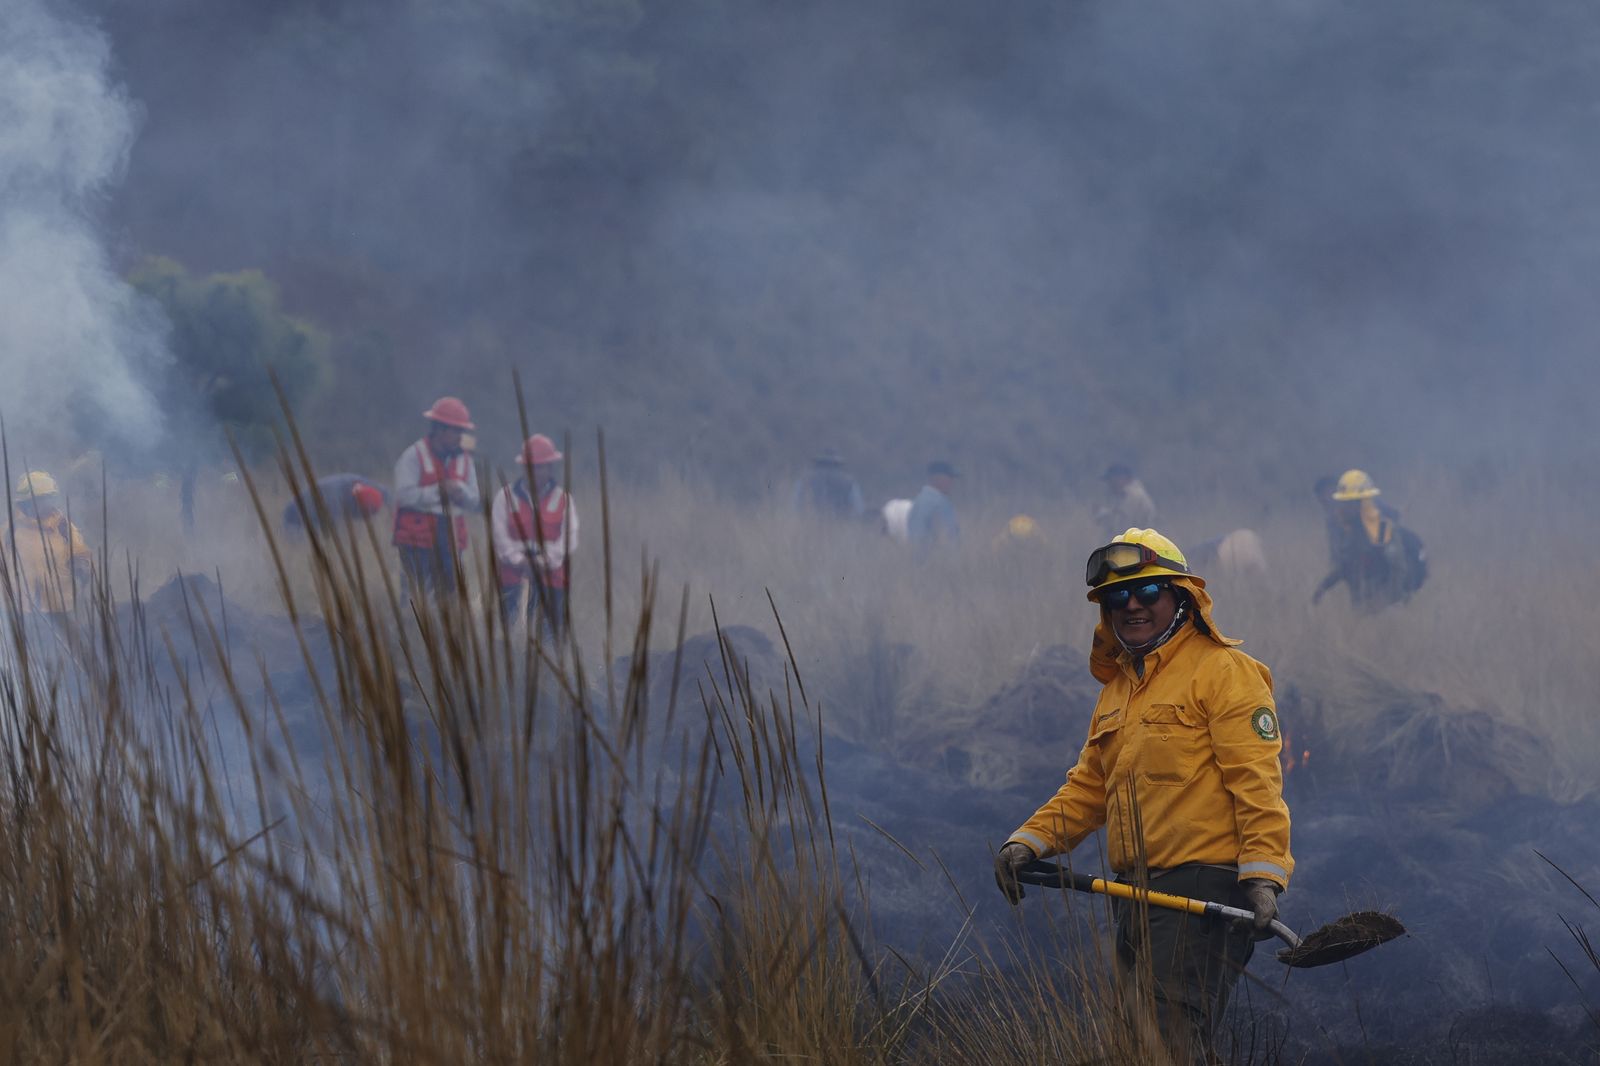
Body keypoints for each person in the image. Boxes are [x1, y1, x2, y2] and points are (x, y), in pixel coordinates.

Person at [994, 528, 1292, 1063]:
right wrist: (1029, 842)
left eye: (1149, 591)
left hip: (1201, 890)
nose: (1132, 605)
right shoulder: (1120, 688)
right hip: (1137, 895)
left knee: (1167, 1042)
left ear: (1182, 596)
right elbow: (1089, 788)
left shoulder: (1224, 672)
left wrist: (1264, 875)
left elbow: (1258, 783)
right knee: (1140, 1045)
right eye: (1116, 597)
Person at [492, 434, 579, 640]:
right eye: (533, 467)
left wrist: (543, 562)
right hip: (512, 577)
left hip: (552, 579)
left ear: (550, 468)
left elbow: (569, 539)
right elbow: (499, 536)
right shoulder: (505, 497)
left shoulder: (564, 500)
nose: (537, 472)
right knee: (509, 633)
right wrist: (520, 561)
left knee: (550, 636)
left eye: (542, 467)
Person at [392, 397, 480, 596]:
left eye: (462, 431)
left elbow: (474, 499)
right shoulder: (413, 456)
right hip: (416, 540)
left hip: (450, 539)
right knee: (415, 596)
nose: (461, 436)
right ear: (440, 429)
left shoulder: (466, 460)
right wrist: (437, 492)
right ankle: (410, 627)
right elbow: (403, 496)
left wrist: (460, 492)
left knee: (450, 597)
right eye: (456, 431)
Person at [1312, 469, 1415, 610]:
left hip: (1388, 611)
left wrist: (1385, 603)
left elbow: (1398, 570)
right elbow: (1345, 566)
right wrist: (1324, 587)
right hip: (1365, 608)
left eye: (1346, 503)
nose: (1340, 508)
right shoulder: (1352, 532)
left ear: (1359, 504)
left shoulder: (1381, 529)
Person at [5, 471, 94, 617]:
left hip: (59, 608)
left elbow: (81, 554)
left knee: (69, 640)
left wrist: (82, 565)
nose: (49, 503)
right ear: (28, 502)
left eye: (50, 497)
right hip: (19, 611)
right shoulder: (9, 531)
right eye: (44, 498)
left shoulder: (63, 527)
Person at [282, 474, 388, 534]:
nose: (367, 518)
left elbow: (383, 491)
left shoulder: (356, 487)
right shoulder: (334, 501)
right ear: (359, 507)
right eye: (366, 513)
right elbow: (332, 534)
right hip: (294, 522)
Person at [791, 450, 865, 521]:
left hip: (809, 523)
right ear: (837, 464)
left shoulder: (805, 479)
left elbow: (796, 504)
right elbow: (857, 508)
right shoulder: (849, 482)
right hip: (839, 524)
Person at [906, 461, 960, 554]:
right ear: (938, 478)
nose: (952, 482)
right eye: (949, 477)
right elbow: (948, 539)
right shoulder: (938, 503)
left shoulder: (920, 500)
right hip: (940, 561)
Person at [1094, 463, 1158, 537]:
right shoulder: (1124, 495)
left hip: (1136, 543)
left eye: (1110, 480)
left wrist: (1103, 515)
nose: (1109, 484)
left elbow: (1123, 528)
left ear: (1121, 478)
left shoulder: (1133, 496)